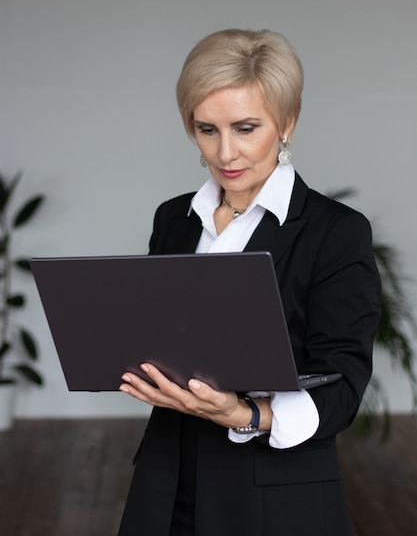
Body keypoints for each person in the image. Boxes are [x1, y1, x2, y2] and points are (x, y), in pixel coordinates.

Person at [117, 29, 381, 536]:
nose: (225, 152)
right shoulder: (174, 218)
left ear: (287, 123)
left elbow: (343, 385)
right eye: (206, 129)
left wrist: (245, 414)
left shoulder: (337, 232)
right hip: (165, 483)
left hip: (275, 495)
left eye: (245, 127)